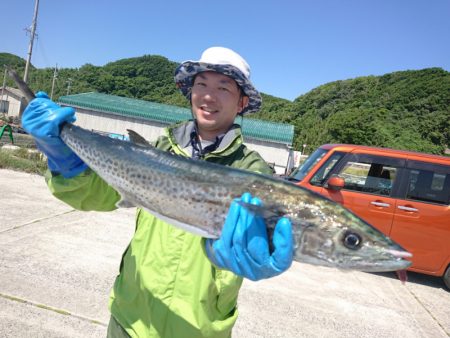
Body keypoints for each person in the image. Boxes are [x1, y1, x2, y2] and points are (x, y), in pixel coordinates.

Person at [22, 46, 294, 338]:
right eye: (201, 84)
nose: (208, 96)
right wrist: (64, 160)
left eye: (223, 87)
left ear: (241, 103)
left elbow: (269, 236)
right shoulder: (160, 149)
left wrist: (265, 254)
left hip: (198, 329)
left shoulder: (253, 173)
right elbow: (98, 194)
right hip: (130, 318)